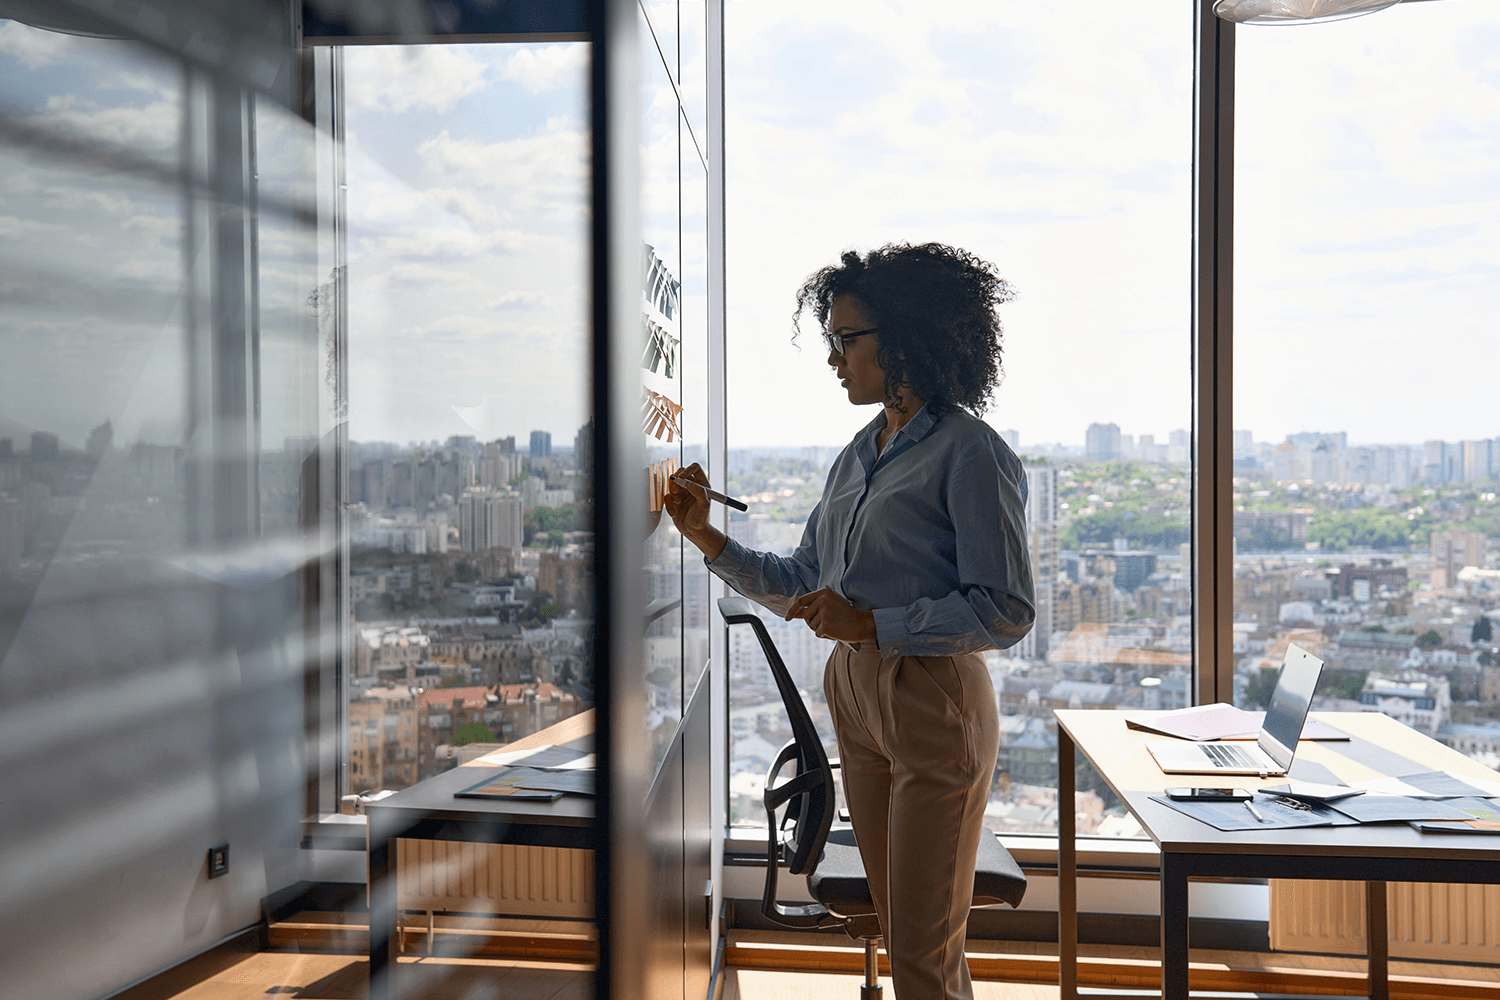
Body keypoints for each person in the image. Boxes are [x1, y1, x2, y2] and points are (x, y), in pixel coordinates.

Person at [665, 242, 1035, 1000]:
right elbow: (805, 580)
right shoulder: (857, 455)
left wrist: (870, 624)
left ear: (901, 339)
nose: (833, 357)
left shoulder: (972, 452)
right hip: (858, 699)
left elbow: (1005, 610)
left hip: (933, 701)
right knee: (907, 935)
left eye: (844, 339)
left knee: (921, 955)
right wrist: (707, 536)